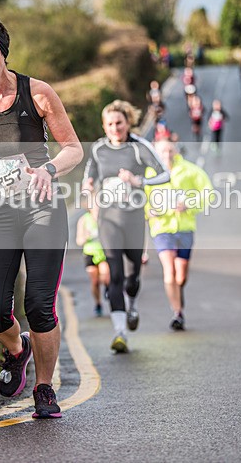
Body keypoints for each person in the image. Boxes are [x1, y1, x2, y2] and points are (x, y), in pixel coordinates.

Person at [0, 14, 83, 419]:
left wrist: (49, 170)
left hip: (41, 207)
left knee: (40, 304)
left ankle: (44, 389)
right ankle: (16, 348)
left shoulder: (37, 93)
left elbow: (74, 148)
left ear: (2, 51)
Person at [82, 100, 170, 353]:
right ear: (104, 126)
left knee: (132, 277)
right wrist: (88, 187)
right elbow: (91, 176)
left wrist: (138, 180)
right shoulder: (99, 149)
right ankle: (120, 332)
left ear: (128, 122)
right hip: (108, 219)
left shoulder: (138, 147)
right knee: (115, 275)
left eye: (119, 123)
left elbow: (165, 174)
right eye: (109, 124)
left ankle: (132, 305)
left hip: (132, 218)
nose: (115, 128)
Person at [144, 139, 213, 331]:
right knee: (170, 270)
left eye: (170, 150)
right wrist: (149, 210)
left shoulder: (190, 170)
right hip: (161, 228)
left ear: (175, 150)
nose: (166, 154)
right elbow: (140, 195)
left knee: (181, 276)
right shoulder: (150, 173)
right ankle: (177, 313)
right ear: (156, 153)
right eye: (162, 151)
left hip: (184, 227)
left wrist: (189, 204)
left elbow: (208, 192)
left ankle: (177, 291)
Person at [75, 202, 110, 317]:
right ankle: (98, 304)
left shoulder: (105, 219)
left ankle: (108, 289)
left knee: (106, 276)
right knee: (94, 281)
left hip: (103, 252)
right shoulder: (84, 220)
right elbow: (79, 241)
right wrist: (86, 236)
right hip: (90, 252)